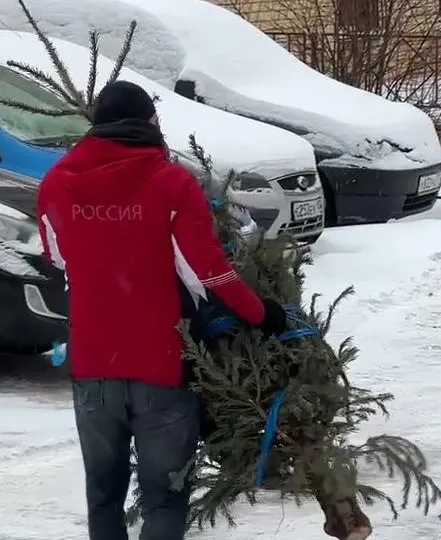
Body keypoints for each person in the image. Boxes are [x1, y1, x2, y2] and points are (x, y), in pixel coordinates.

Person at [36, 80, 289, 540]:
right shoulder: (171, 182)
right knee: (165, 497)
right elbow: (208, 272)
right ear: (149, 123)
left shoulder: (56, 182)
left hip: (93, 368)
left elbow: (57, 256)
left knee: (103, 495)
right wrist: (261, 314)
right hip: (162, 366)